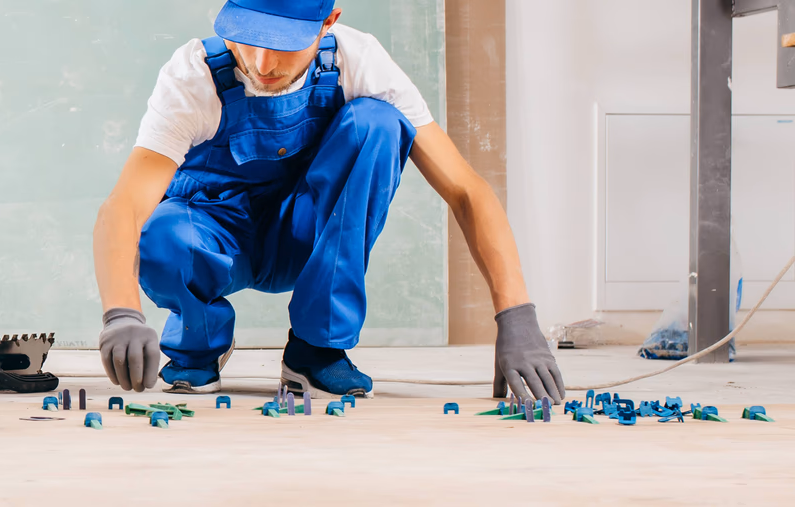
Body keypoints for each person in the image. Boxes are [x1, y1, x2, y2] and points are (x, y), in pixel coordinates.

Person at [90, 0, 563, 400]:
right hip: (216, 237)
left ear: (329, 21)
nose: (260, 62)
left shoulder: (361, 62)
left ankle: (315, 352)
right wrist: (121, 312)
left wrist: (516, 316)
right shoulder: (193, 77)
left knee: (378, 123)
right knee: (160, 237)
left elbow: (465, 189)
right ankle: (199, 341)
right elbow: (125, 206)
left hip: (305, 232)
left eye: (282, 43)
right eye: (246, 37)